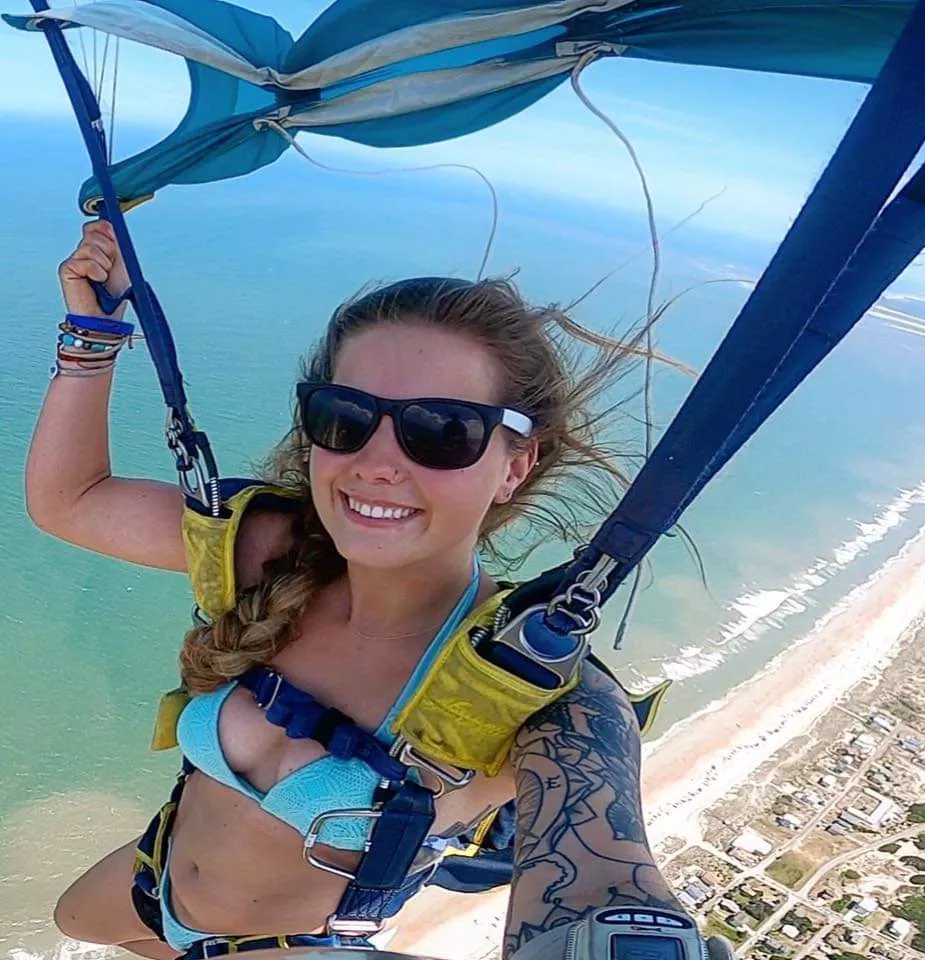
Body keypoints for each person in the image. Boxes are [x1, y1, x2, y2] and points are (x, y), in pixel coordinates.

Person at [25, 221, 702, 959]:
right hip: (154, 887)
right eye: (344, 418)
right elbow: (72, 500)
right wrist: (91, 333)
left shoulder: (533, 690)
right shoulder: (271, 554)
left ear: (514, 465)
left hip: (284, 945)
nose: (377, 462)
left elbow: (599, 882)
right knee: (73, 918)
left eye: (444, 430)